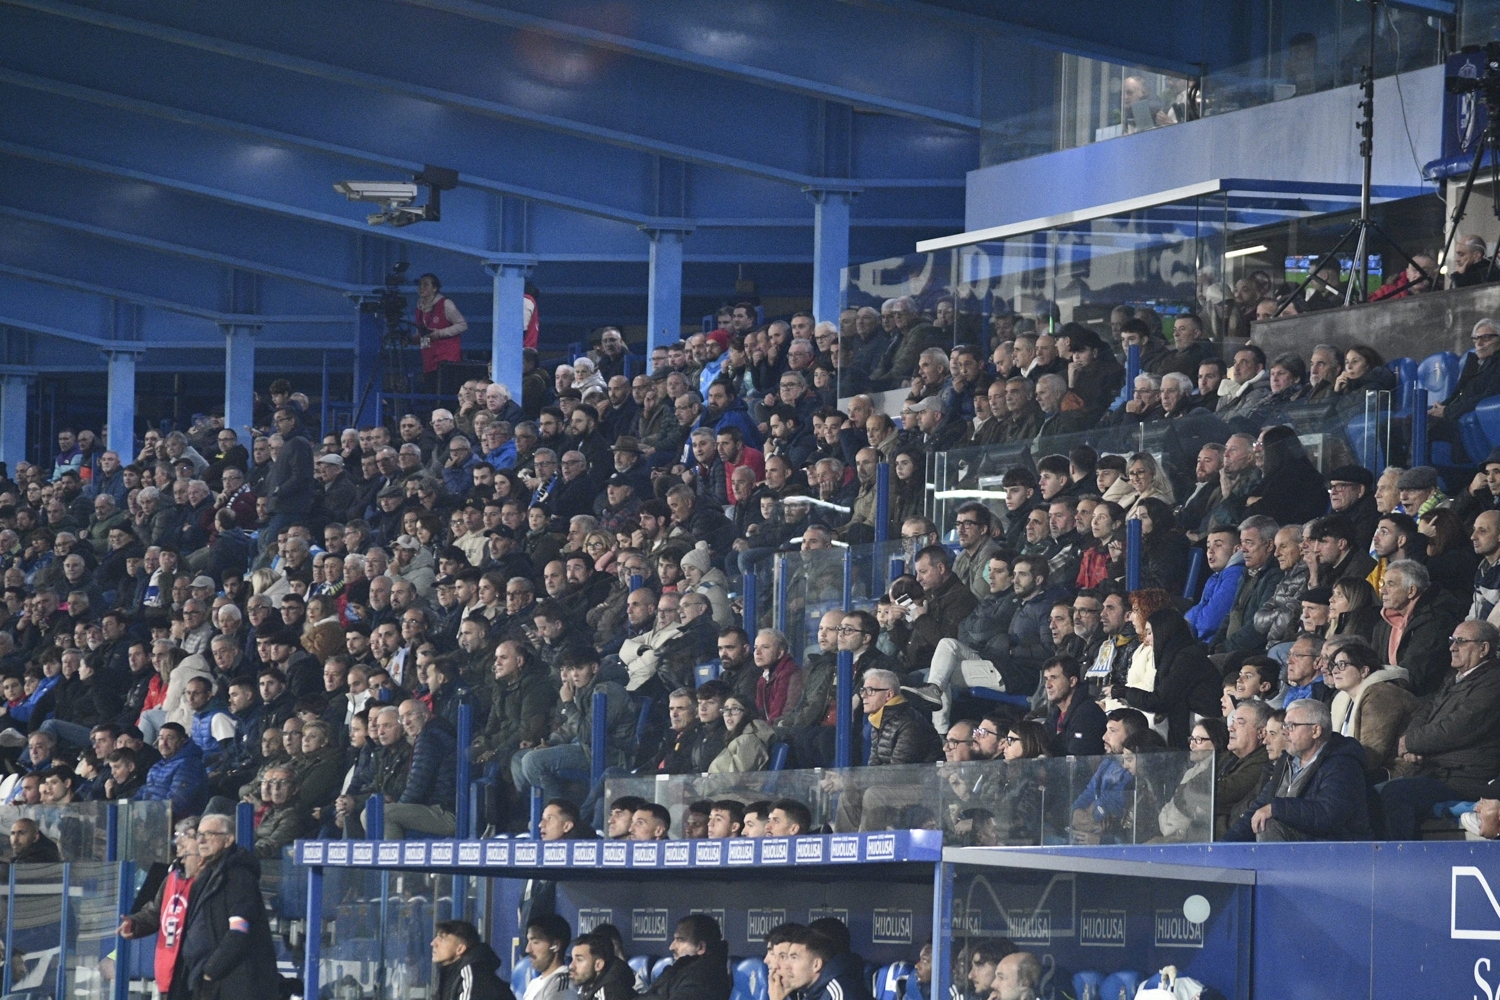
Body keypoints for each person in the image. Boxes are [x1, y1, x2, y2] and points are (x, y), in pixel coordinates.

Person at [1378, 619, 1500, 840]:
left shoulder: (1494, 682)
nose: (1452, 647)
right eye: (1452, 640)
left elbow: (1458, 728)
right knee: (1368, 793)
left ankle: (1403, 863)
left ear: (1484, 648)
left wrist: (1412, 743)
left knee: (1396, 794)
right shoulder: (1455, 679)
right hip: (1438, 772)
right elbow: (1423, 712)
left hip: (1467, 778)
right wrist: (1408, 741)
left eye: (1461, 642)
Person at [149, 811, 281, 1000]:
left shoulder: (238, 877)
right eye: (199, 835)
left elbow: (239, 931)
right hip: (204, 983)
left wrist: (210, 972)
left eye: (209, 834)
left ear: (228, 840)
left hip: (231, 985)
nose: (201, 840)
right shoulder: (207, 877)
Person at [1223, 698, 1371, 842]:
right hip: (1297, 845)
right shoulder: (1287, 761)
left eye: (1291, 726)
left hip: (1334, 850)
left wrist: (1277, 808)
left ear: (1315, 730)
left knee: (1268, 824)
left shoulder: (1342, 764)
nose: (1285, 732)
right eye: (1284, 726)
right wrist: (1223, 846)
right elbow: (1259, 807)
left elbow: (1328, 815)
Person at [119, 818, 202, 1000]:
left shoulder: (207, 881)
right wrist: (135, 923)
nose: (177, 841)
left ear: (202, 840)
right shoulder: (171, 878)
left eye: (185, 836)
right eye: (177, 835)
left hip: (193, 974)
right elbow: (155, 912)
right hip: (168, 973)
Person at [638, 914, 732, 1000]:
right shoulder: (677, 969)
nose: (671, 947)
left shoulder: (704, 978)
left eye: (680, 940)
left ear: (701, 948)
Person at [432, 920, 517, 1000]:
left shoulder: (474, 973)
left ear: (460, 949)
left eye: (441, 938)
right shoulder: (447, 974)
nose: (433, 943)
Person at [520, 914, 572, 1000]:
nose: (528, 949)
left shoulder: (562, 986)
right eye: (528, 941)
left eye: (535, 942)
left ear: (556, 945)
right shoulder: (534, 983)